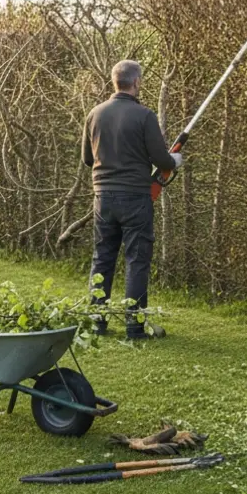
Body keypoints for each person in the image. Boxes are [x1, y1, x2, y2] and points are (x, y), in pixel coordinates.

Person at [81, 60, 181, 340]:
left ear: (115, 81)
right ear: (136, 82)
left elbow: (88, 159)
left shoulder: (95, 114)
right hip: (135, 197)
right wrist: (174, 160)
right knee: (136, 260)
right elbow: (161, 160)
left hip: (103, 197)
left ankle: (96, 321)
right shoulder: (144, 116)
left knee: (102, 258)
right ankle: (134, 327)